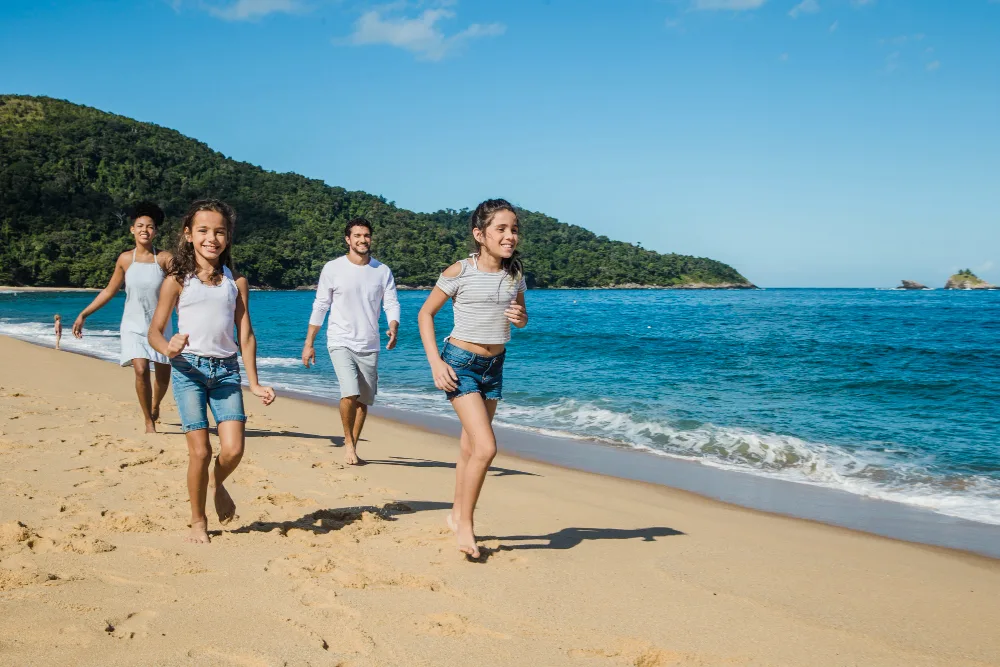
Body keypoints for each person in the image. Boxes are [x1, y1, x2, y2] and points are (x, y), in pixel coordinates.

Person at [148, 199, 275, 544]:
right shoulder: (177, 280)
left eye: (219, 231)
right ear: (188, 235)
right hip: (188, 369)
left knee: (232, 450)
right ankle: (197, 521)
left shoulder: (237, 281)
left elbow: (245, 335)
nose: (212, 238)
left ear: (228, 237)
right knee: (200, 452)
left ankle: (217, 482)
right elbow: (154, 332)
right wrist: (167, 348)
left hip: (226, 372)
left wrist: (255, 382)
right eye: (203, 231)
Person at [417, 199, 528, 559]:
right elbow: (425, 314)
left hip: (494, 367)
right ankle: (466, 525)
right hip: (460, 365)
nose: (509, 235)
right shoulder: (459, 272)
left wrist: (521, 319)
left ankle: (455, 513)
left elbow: (521, 315)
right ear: (479, 234)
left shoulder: (515, 274)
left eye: (513, 229)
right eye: (501, 229)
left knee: (469, 449)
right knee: (486, 448)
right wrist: (436, 363)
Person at [302, 217, 400, 465]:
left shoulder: (382, 271)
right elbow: (321, 305)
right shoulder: (333, 268)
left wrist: (393, 326)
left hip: (369, 343)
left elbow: (391, 303)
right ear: (348, 239)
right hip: (340, 339)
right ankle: (347, 442)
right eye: (357, 235)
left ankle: (353, 446)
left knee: (363, 401)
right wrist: (309, 343)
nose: (362, 239)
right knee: (350, 392)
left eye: (366, 235)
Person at [72, 201, 174, 433]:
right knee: (140, 369)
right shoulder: (126, 259)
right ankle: (148, 421)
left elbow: (181, 289)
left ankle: (156, 405)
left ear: (155, 231)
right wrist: (84, 314)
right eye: (140, 226)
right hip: (133, 325)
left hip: (160, 326)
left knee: (163, 374)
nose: (144, 230)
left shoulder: (165, 259)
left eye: (149, 227)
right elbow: (109, 291)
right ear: (132, 230)